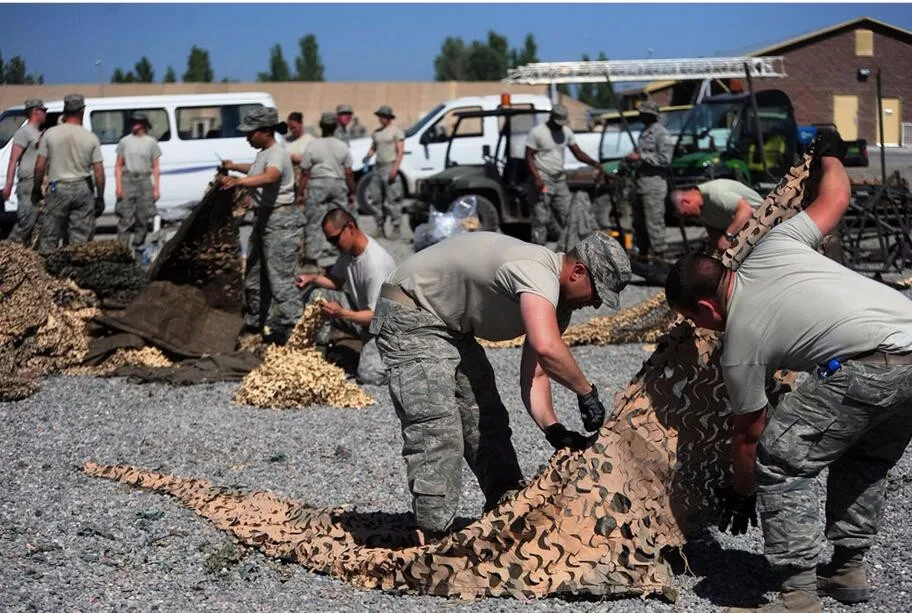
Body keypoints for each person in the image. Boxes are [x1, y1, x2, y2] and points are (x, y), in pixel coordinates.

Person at [664, 139, 912, 613]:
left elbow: (749, 436)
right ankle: (846, 569)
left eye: (697, 322)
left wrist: (742, 490)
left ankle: (798, 594)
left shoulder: (739, 341)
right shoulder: (774, 245)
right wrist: (831, 154)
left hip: (870, 361)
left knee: (780, 461)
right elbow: (836, 198)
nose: (703, 330)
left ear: (704, 306)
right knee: (862, 455)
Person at [369, 231, 631, 534]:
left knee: (486, 416)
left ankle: (507, 508)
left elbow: (536, 373)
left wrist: (553, 429)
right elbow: (547, 347)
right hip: (411, 313)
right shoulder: (537, 272)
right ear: (577, 272)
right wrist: (586, 392)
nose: (596, 305)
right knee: (437, 429)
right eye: (597, 294)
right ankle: (432, 538)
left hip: (451, 328)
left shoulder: (557, 304)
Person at [220, 107, 303, 344]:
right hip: (263, 219)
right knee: (254, 276)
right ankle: (257, 325)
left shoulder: (276, 153)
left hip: (280, 221)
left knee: (280, 281)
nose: (247, 137)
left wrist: (240, 182)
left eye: (250, 133)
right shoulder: (265, 152)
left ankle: (297, 333)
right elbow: (258, 170)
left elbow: (270, 176)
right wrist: (235, 166)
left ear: (265, 132)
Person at [295, 208, 396, 385]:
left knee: (370, 376)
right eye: (329, 241)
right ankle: (318, 354)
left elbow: (378, 318)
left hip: (384, 329)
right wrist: (312, 278)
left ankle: (395, 363)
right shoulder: (348, 252)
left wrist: (342, 313)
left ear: (350, 227)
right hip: (362, 315)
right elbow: (336, 281)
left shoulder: (375, 264)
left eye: (334, 239)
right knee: (317, 296)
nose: (334, 245)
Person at [33, 94, 105, 255]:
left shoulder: (50, 134)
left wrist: (36, 189)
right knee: (80, 241)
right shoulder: (91, 137)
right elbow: (99, 172)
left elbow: (39, 167)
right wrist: (100, 197)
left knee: (50, 236)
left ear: (65, 110)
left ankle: (48, 275)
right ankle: (75, 275)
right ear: (82, 111)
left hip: (57, 188)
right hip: (82, 188)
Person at [525, 104, 601, 246]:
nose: (559, 126)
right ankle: (538, 247)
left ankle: (572, 246)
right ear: (551, 119)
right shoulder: (538, 132)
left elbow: (578, 153)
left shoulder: (566, 132)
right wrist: (537, 177)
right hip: (543, 176)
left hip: (559, 178)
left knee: (568, 213)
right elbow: (528, 156)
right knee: (541, 216)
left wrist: (595, 163)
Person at [298, 112, 356, 271]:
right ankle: (344, 256)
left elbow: (304, 172)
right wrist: (352, 192)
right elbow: (348, 172)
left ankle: (311, 261)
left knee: (314, 222)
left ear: (321, 127)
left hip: (317, 184)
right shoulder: (341, 145)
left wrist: (299, 193)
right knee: (340, 221)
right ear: (335, 127)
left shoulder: (313, 145)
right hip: (338, 184)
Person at [627, 100, 673, 260]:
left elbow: (665, 159)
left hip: (654, 185)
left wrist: (641, 156)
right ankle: (643, 253)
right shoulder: (644, 132)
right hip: (640, 183)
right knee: (639, 222)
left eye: (643, 113)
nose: (639, 116)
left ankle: (659, 254)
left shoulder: (661, 134)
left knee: (654, 221)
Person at [670, 179, 763, 252]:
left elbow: (746, 210)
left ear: (686, 201)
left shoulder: (715, 194)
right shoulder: (699, 209)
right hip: (746, 232)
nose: (688, 218)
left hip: (762, 218)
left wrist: (728, 236)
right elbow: (714, 233)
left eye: (686, 214)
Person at [114, 112, 161, 251]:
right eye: (133, 122)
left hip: (144, 180)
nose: (135, 125)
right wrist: (119, 186)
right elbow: (118, 165)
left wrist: (156, 188)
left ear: (144, 125)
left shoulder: (151, 142)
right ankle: (122, 250)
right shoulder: (124, 141)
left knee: (143, 218)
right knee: (125, 218)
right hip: (128, 179)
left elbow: (156, 166)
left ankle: (139, 247)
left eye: (138, 122)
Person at [2, 98, 47, 245]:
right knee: (26, 220)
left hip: (38, 183)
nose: (45, 114)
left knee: (39, 222)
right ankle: (8, 249)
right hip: (27, 183)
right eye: (43, 111)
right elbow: (13, 160)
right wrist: (8, 185)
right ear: (35, 112)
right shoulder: (24, 132)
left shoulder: (37, 132)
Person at [363, 105, 404, 239]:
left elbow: (400, 151)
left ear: (389, 118)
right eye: (380, 116)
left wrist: (395, 168)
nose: (382, 119)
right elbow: (374, 147)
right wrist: (368, 156)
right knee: (376, 198)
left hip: (390, 165)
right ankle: (379, 226)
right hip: (378, 167)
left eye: (384, 116)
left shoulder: (396, 132)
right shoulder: (377, 133)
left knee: (392, 199)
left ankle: (396, 227)